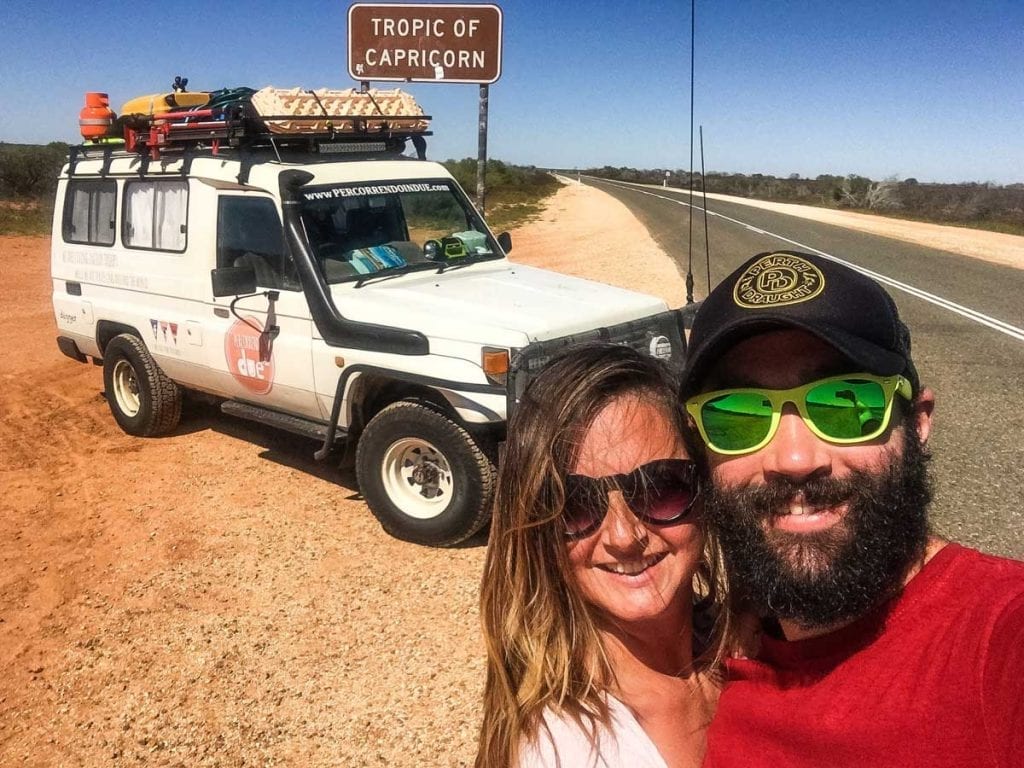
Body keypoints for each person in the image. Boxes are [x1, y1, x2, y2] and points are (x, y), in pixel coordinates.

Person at [678, 250, 1024, 767]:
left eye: (846, 404)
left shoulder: (999, 637)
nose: (795, 460)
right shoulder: (716, 662)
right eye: (738, 416)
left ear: (919, 422)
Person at [476, 344, 734, 768]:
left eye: (660, 487)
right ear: (537, 529)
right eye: (575, 504)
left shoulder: (750, 643)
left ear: (706, 490)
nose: (624, 536)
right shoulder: (567, 750)